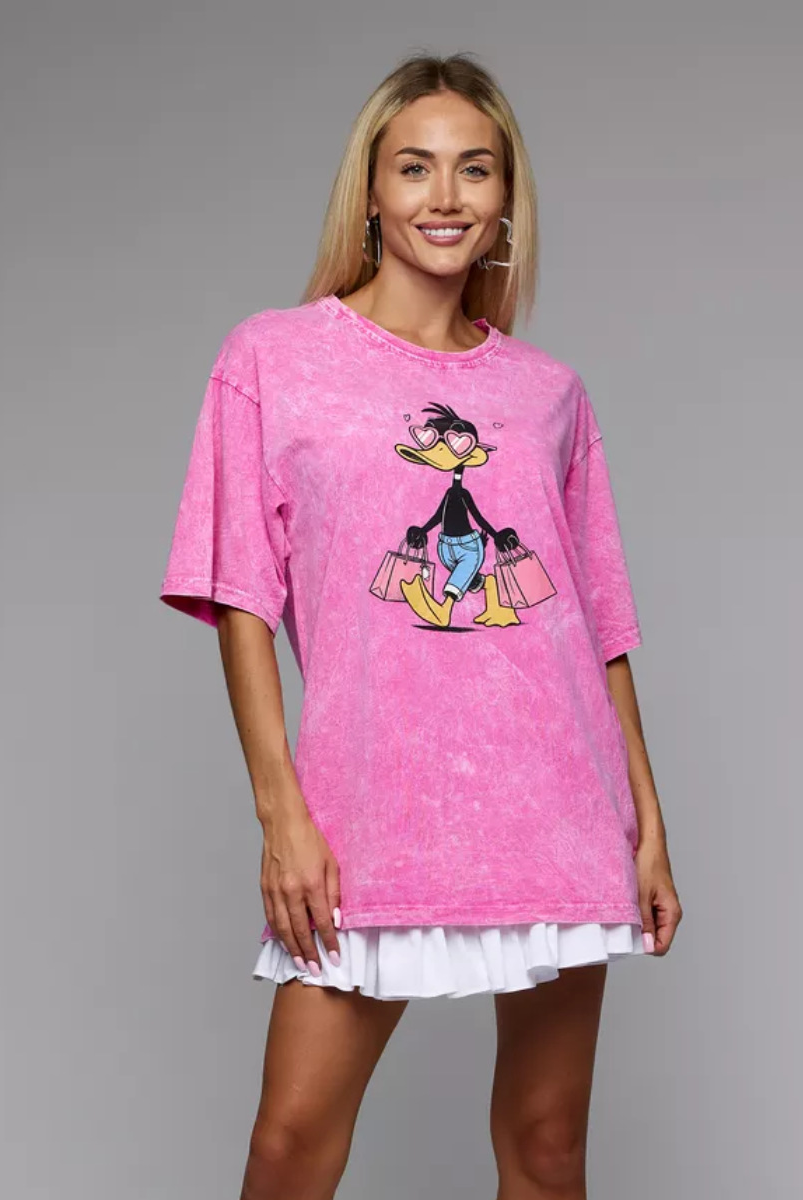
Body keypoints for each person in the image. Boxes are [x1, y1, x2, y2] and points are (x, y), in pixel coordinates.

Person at [160, 50, 682, 1200]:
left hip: (558, 806)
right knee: (291, 1145)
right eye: (415, 167)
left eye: (474, 170)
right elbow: (239, 596)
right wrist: (281, 815)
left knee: (548, 1149)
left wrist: (645, 820)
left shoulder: (548, 392)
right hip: (373, 811)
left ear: (506, 198)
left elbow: (597, 621)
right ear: (370, 191)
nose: (445, 197)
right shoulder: (274, 359)